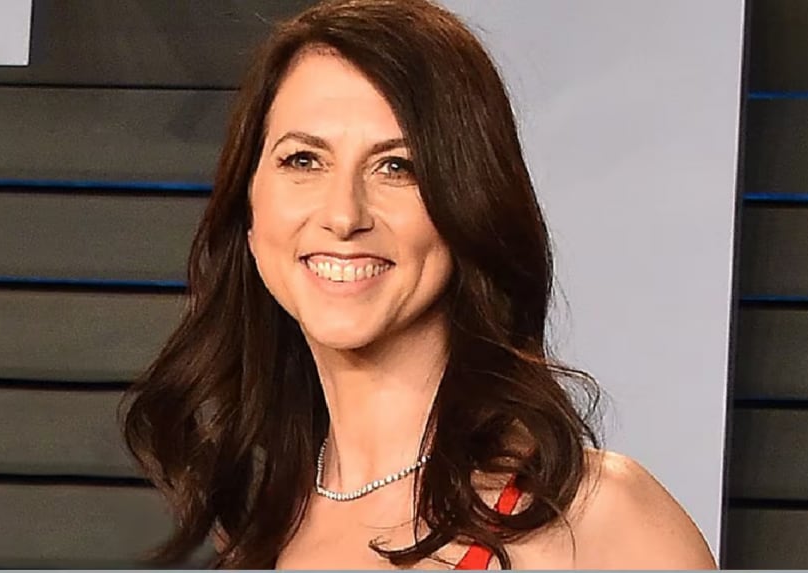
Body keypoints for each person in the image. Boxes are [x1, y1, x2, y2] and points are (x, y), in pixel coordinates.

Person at [122, 0, 717, 568]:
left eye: (396, 167)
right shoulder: (259, 529)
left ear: (470, 205)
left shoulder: (599, 518)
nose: (343, 215)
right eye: (304, 160)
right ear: (249, 210)